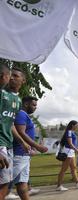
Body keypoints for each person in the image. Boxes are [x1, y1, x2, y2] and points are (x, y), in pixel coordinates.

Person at [0, 66, 30, 200]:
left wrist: (22, 142)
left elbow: (10, 124)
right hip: (1, 144)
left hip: (9, 145)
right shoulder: (2, 94)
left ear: (23, 80)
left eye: (16, 76)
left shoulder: (18, 101)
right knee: (3, 183)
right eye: (11, 75)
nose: (12, 77)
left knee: (5, 183)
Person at [11, 96, 48, 200]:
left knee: (22, 183)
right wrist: (38, 146)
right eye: (34, 105)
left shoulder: (25, 116)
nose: (35, 107)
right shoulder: (21, 114)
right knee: (5, 183)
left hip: (25, 154)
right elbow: (21, 133)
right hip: (19, 154)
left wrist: (32, 148)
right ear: (26, 104)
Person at [56, 120, 78, 191]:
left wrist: (75, 151)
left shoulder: (71, 132)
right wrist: (77, 151)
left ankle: (77, 182)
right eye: (77, 125)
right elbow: (70, 143)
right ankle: (59, 186)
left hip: (71, 152)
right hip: (68, 152)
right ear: (73, 125)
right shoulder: (69, 132)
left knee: (73, 167)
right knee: (64, 169)